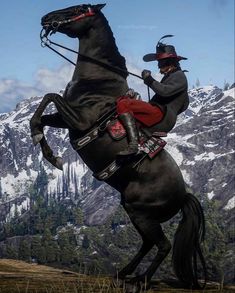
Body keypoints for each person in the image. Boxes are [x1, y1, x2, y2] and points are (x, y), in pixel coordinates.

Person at [117, 35, 189, 157]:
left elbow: (164, 91)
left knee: (124, 104)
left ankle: (134, 145)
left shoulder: (179, 76)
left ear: (168, 62)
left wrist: (149, 80)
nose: (158, 65)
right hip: (161, 112)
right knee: (124, 100)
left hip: (162, 114)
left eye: (160, 62)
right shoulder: (171, 76)